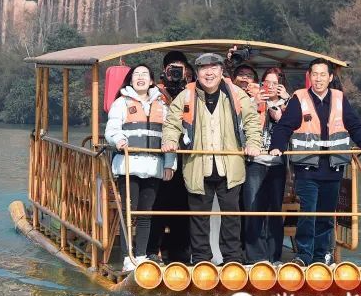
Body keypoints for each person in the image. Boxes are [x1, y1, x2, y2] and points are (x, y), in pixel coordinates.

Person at [269, 58, 361, 266]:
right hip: (307, 168)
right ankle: (304, 256)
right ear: (309, 77)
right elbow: (284, 126)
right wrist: (277, 145)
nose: (318, 79)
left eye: (322, 75)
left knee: (326, 216)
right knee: (308, 213)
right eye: (314, 75)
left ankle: (321, 256)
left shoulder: (339, 99)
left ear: (330, 77)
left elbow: (354, 124)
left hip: (333, 168)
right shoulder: (299, 98)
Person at [161, 52, 263, 264]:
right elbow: (172, 123)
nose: (209, 73)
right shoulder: (186, 95)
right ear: (197, 73)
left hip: (230, 165)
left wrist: (254, 143)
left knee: (231, 216)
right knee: (199, 217)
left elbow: (252, 119)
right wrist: (169, 141)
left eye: (213, 68)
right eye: (204, 69)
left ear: (221, 71)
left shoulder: (235, 94)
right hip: (198, 164)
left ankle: (233, 259)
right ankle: (201, 259)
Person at [105, 64, 176, 272]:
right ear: (130, 80)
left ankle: (143, 255)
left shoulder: (162, 104)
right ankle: (128, 256)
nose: (140, 78)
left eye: (145, 74)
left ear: (152, 80)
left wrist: (170, 163)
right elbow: (112, 128)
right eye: (136, 75)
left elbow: (170, 135)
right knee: (129, 211)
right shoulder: (122, 102)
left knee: (146, 212)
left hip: (153, 165)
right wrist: (118, 139)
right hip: (129, 165)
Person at [241, 67, 291, 263]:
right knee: (254, 208)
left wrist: (285, 100)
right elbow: (239, 123)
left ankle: (274, 256)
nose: (270, 87)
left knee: (274, 210)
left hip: (277, 164)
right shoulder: (251, 102)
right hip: (255, 162)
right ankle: (255, 257)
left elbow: (299, 124)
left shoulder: (289, 104)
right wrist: (255, 103)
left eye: (275, 83)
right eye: (266, 82)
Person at [147, 51, 192, 263]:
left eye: (180, 68)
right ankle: (152, 250)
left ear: (187, 72)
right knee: (158, 205)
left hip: (187, 159)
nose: (175, 72)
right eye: (171, 68)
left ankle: (179, 254)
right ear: (164, 70)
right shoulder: (154, 93)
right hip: (160, 157)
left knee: (184, 206)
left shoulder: (193, 93)